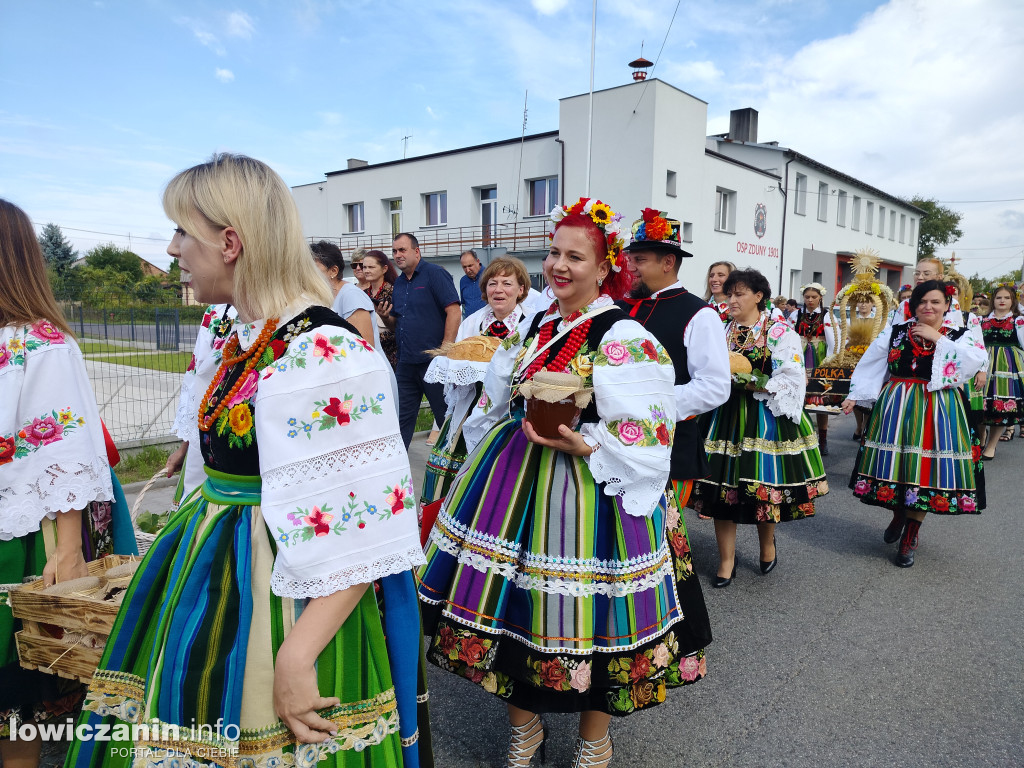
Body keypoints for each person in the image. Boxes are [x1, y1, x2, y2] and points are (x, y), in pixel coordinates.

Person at [66, 154, 429, 767]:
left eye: (182, 230)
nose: (174, 247)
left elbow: (367, 526)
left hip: (282, 591)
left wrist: (296, 656)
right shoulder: (249, 336)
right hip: (215, 564)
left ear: (229, 241)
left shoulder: (324, 352)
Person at [418, 198, 707, 768]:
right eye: (554, 252)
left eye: (576, 256)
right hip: (516, 475)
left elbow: (650, 427)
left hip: (588, 487)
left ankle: (593, 738)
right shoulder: (541, 323)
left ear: (605, 268)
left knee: (595, 616)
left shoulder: (622, 333)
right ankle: (526, 729)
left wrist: (592, 442)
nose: (559, 266)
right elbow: (501, 392)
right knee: (510, 610)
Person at [0, 198, 137, 768]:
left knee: (13, 699)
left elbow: (66, 453)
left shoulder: (41, 345)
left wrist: (67, 550)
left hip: (20, 532)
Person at [617, 206, 725, 655]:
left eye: (639, 259)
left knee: (662, 535)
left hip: (670, 446)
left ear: (668, 262)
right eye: (630, 258)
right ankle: (625, 620)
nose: (631, 266)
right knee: (623, 535)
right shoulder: (620, 307)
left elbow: (713, 385)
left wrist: (651, 410)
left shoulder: (698, 315)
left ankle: (666, 629)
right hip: (614, 445)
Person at [691, 269, 828, 587]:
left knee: (764, 490)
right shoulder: (721, 329)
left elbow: (793, 375)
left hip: (764, 417)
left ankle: (768, 544)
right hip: (722, 416)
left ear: (758, 296)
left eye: (739, 293)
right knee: (720, 494)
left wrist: (755, 381)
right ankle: (727, 561)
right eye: (730, 293)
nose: (732, 299)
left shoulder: (779, 331)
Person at [843, 280, 987, 568]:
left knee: (926, 473)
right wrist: (856, 394)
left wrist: (938, 338)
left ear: (947, 305)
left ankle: (911, 532)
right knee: (898, 468)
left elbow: (973, 363)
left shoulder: (961, 335)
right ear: (914, 305)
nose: (928, 306)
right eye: (922, 301)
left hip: (939, 408)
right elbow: (873, 361)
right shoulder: (896, 331)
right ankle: (899, 512)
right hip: (896, 405)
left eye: (935, 302)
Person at [420, 257, 533, 512]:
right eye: (492, 283)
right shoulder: (473, 322)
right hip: (470, 404)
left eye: (507, 283)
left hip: (510, 409)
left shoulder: (529, 324)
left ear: (521, 289)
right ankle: (445, 514)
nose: (498, 290)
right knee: (451, 466)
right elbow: (458, 359)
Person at [379, 233, 460, 447]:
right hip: (406, 362)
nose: (397, 255)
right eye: (394, 251)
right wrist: (386, 318)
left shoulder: (435, 274)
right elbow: (395, 324)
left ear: (416, 251)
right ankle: (398, 473)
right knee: (400, 420)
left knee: (445, 418)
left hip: (433, 361)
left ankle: (454, 471)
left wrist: (445, 349)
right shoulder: (399, 284)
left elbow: (454, 311)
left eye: (402, 250)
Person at [166, 303, 237, 500]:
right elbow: (196, 379)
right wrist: (186, 447)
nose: (184, 269)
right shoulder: (217, 311)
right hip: (206, 439)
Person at [980, 284, 1024, 458]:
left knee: (1002, 406)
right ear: (993, 300)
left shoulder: (1018, 321)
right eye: (999, 297)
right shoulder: (981, 320)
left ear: (1013, 301)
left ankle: (991, 446)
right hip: (983, 364)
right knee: (981, 405)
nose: (1002, 301)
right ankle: (981, 437)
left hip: (1007, 366)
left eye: (1007, 298)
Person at [794, 282, 835, 454]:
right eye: (807, 297)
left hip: (819, 356)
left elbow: (833, 339)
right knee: (799, 396)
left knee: (820, 398)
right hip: (800, 355)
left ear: (820, 298)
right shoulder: (796, 314)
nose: (810, 300)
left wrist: (831, 361)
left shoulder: (826, 315)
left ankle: (823, 439)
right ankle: (800, 436)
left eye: (814, 297)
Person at [310, 240, 376, 345]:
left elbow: (364, 346)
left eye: (313, 268)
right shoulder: (321, 296)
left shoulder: (352, 295)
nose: (308, 273)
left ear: (333, 271)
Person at [363, 249, 399, 366]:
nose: (366, 271)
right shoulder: (363, 294)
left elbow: (398, 327)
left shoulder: (393, 292)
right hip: (369, 354)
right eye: (365, 267)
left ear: (384, 269)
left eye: (371, 267)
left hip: (391, 355)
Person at [459, 250, 486, 318]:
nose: (467, 270)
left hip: (487, 324)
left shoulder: (489, 276)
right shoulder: (463, 281)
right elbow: (464, 305)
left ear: (478, 261)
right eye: (464, 267)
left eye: (470, 266)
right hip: (469, 325)